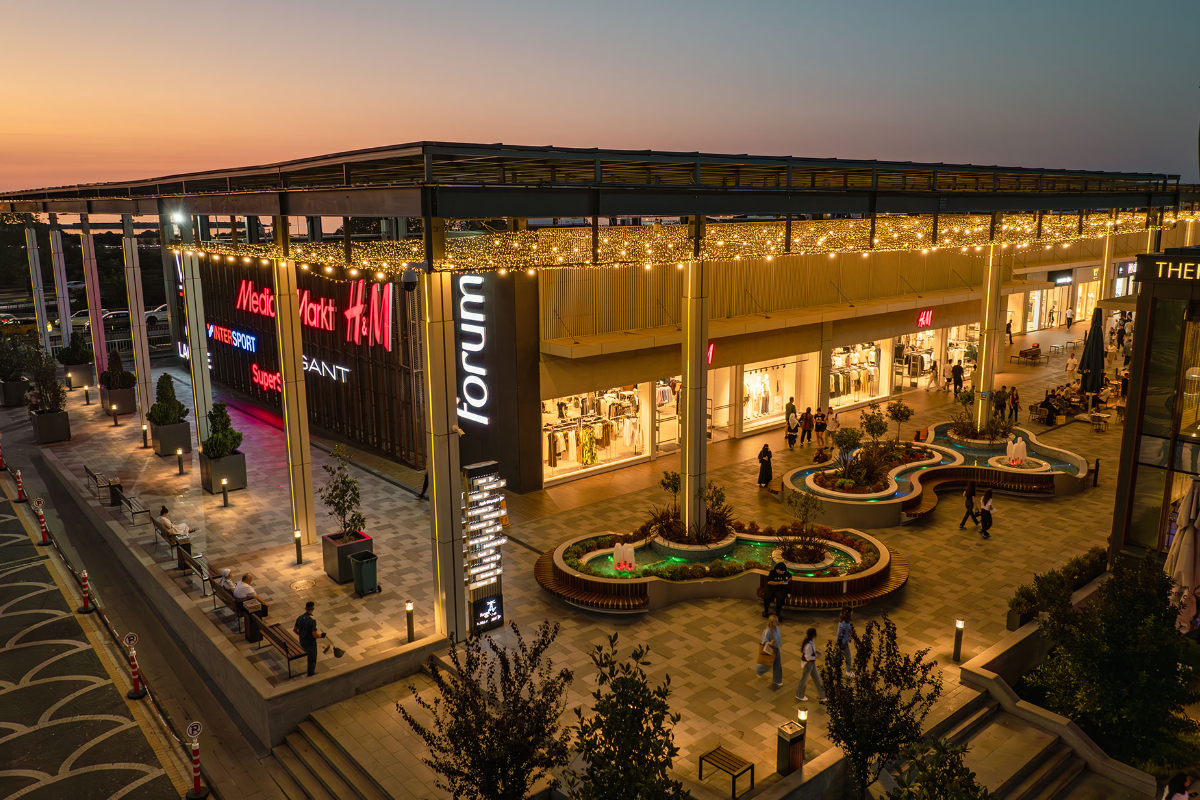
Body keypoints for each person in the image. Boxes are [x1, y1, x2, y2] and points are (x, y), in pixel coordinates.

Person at [293, 601, 326, 677]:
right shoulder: (312, 620)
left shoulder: (300, 618)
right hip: (310, 643)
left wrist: (301, 635)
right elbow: (314, 635)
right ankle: (310, 675)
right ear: (313, 609)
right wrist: (321, 635)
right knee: (312, 658)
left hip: (302, 641)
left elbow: (294, 630)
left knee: (310, 656)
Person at [796, 628, 826, 704]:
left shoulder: (811, 641)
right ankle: (799, 694)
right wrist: (816, 657)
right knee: (804, 680)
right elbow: (808, 657)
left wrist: (816, 652)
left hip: (811, 663)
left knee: (817, 678)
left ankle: (823, 696)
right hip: (808, 664)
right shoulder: (808, 645)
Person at [756, 614, 783, 686]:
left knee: (777, 664)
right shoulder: (767, 631)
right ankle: (759, 670)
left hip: (776, 648)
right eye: (776, 621)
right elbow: (764, 642)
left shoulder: (776, 628)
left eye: (777, 621)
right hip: (770, 649)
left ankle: (777, 680)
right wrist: (770, 643)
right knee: (768, 664)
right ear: (771, 623)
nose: (778, 623)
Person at [836, 607, 855, 677]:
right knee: (848, 657)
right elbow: (840, 633)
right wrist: (841, 645)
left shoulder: (845, 620)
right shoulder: (844, 623)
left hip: (844, 641)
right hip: (843, 643)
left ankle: (836, 668)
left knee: (840, 656)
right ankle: (848, 671)